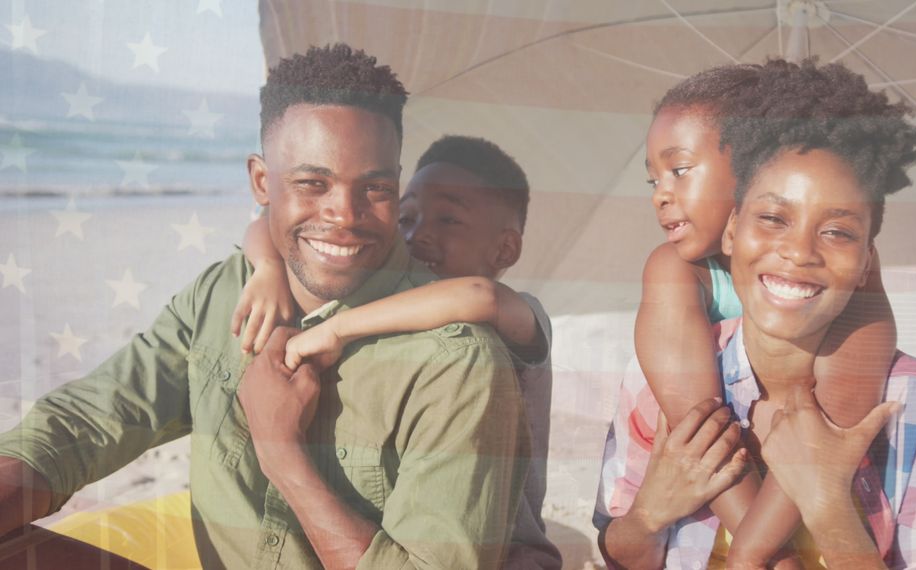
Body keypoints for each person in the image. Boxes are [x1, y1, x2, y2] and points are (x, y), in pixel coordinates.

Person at [0, 44, 532, 569]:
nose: (343, 215)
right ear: (261, 181)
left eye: (374, 188)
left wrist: (280, 451)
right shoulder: (227, 290)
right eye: (311, 182)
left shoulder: (457, 362)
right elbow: (91, 419)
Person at [596, 59, 916, 569]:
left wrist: (826, 508)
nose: (799, 251)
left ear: (868, 258)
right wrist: (651, 515)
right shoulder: (669, 304)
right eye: (774, 218)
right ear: (737, 222)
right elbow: (694, 434)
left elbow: (847, 395)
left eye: (838, 232)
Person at [234, 134, 561, 569]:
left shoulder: (519, 314)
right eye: (406, 217)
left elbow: (479, 295)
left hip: (511, 552)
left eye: (448, 220)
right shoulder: (396, 312)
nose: (417, 234)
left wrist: (337, 330)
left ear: (504, 248)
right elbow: (267, 222)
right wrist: (267, 267)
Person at [635, 64, 897, 566]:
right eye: (654, 178)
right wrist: (772, 559)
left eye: (679, 170)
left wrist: (752, 553)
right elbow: (700, 436)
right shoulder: (674, 271)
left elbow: (839, 407)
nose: (660, 193)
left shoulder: (848, 261)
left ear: (757, 164)